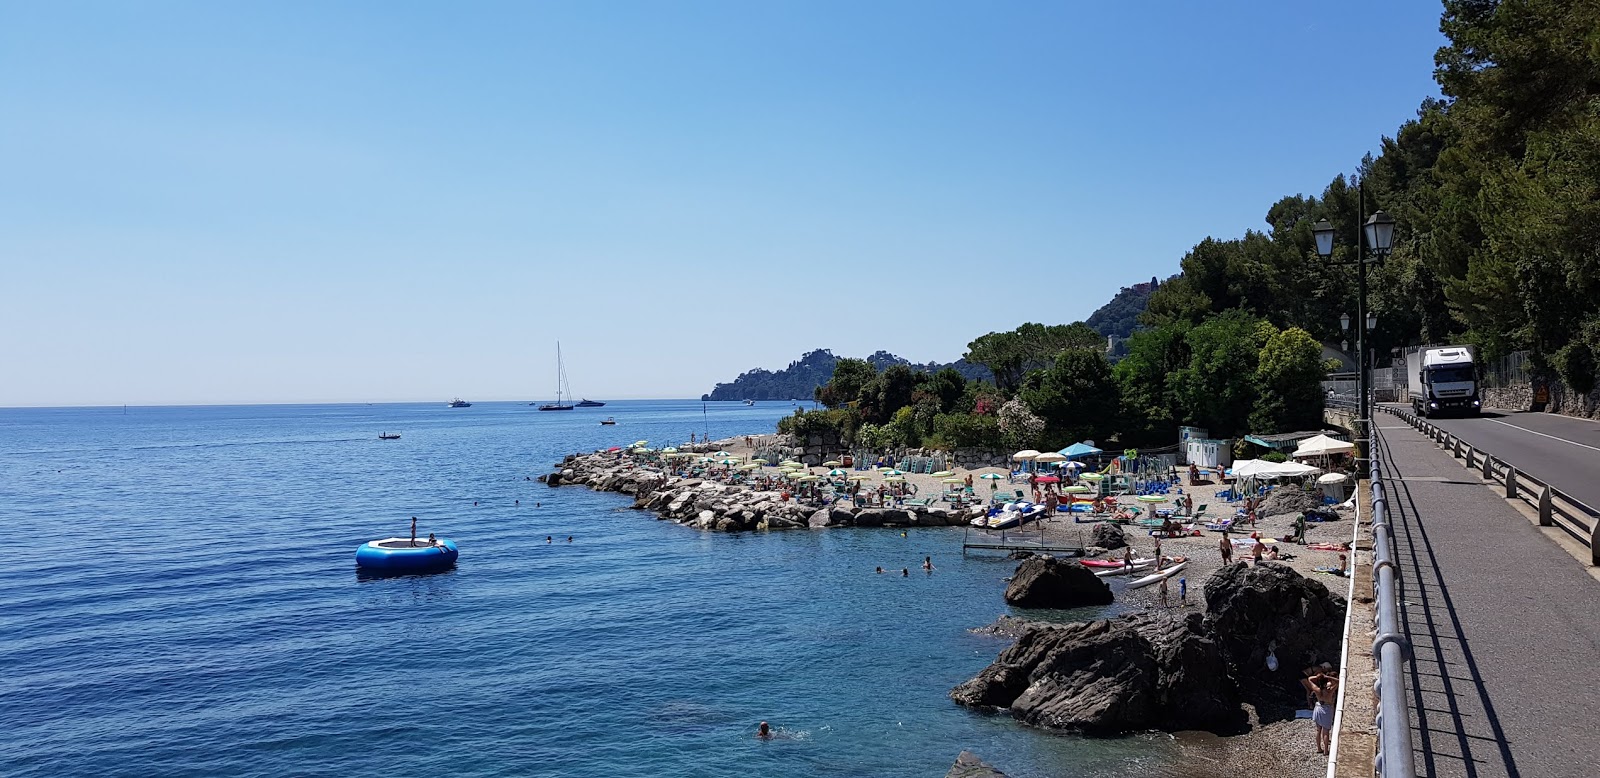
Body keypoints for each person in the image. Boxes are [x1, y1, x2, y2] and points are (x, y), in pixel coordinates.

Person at [1302, 671, 1339, 754]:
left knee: (1318, 730)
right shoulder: (1329, 691)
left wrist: (1319, 677)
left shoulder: (1317, 689)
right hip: (1327, 709)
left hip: (1318, 708)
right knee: (1326, 731)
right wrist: (1326, 676)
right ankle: (1326, 750)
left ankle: (1319, 748)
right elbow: (1338, 681)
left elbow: (1309, 679)